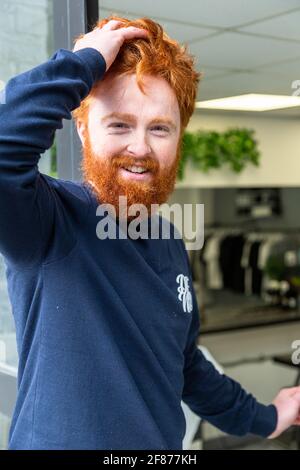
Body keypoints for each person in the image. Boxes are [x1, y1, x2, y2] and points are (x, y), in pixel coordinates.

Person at [0, 15, 299, 450]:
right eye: (119, 124)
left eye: (160, 128)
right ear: (82, 129)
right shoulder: (48, 221)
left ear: (179, 138)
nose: (140, 148)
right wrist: (84, 62)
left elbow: (186, 366)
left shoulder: (169, 239)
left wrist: (265, 418)